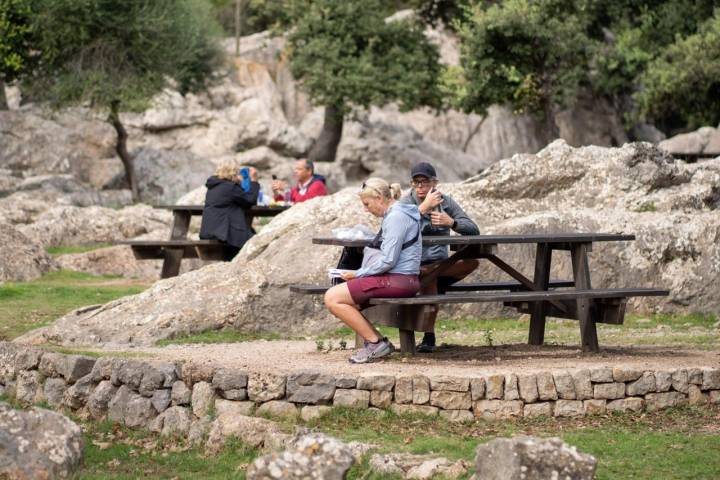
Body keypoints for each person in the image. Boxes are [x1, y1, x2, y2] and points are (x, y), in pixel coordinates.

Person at [324, 178, 422, 364]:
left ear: (379, 198)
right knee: (344, 303)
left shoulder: (395, 217)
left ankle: (375, 343)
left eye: (367, 204)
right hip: (401, 279)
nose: (366, 209)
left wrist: (358, 273)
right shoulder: (397, 214)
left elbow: (388, 260)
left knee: (332, 298)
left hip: (398, 279)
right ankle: (377, 343)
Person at [399, 162, 480, 353]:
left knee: (472, 263)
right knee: (429, 277)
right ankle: (429, 336)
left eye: (424, 182)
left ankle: (432, 281)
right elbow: (396, 229)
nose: (420, 187)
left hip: (439, 265)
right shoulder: (405, 204)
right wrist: (422, 211)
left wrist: (452, 222)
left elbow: (474, 229)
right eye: (416, 182)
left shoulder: (445, 202)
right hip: (413, 266)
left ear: (434, 183)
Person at [199, 164, 260, 260]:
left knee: (250, 233)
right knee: (256, 242)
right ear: (233, 174)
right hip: (223, 233)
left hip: (211, 230)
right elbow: (249, 200)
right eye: (238, 173)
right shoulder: (230, 187)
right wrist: (254, 181)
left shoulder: (213, 186)